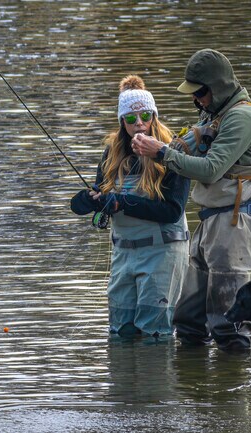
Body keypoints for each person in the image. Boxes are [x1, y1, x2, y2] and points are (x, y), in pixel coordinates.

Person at [132, 49, 251, 352]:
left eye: (201, 92)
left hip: (235, 226)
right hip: (210, 223)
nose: (196, 100)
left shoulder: (243, 118)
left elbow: (211, 168)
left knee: (228, 324)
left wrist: (162, 153)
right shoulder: (214, 114)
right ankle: (194, 394)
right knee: (188, 319)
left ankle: (230, 395)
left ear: (217, 86)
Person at [71, 75, 190, 338]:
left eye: (146, 116)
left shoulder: (172, 152)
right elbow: (101, 191)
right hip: (124, 254)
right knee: (120, 332)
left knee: (153, 334)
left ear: (154, 116)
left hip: (162, 252)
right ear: (121, 121)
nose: (140, 124)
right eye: (131, 118)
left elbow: (172, 211)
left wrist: (123, 202)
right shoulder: (111, 153)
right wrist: (87, 202)